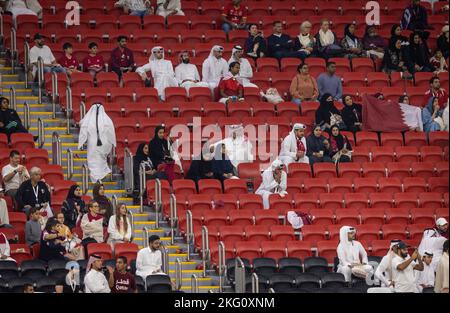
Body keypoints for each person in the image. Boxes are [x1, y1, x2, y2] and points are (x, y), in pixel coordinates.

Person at [78, 103, 116, 183]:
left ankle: (97, 178)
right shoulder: (107, 119)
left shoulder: (88, 119)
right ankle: (98, 178)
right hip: (102, 145)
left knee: (95, 161)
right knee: (99, 161)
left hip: (94, 145)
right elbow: (111, 133)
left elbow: (82, 124)